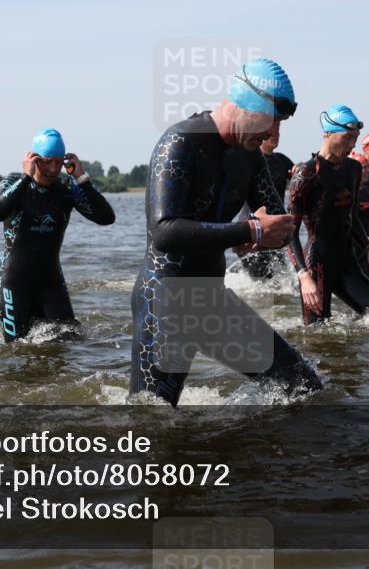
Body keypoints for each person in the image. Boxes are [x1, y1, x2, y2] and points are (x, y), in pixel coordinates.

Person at [130, 58, 323, 406]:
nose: (273, 136)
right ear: (245, 105)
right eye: (271, 122)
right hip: (166, 303)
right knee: (153, 420)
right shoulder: (181, 141)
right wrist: (247, 230)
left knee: (303, 389)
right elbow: (164, 231)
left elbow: (280, 223)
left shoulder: (248, 157)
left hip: (211, 302)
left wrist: (269, 239)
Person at [0, 129, 115, 341]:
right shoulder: (14, 182)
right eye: (48, 161)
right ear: (34, 159)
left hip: (51, 282)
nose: (54, 168)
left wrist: (82, 178)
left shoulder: (67, 187)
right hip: (14, 282)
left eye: (59, 162)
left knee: (71, 341)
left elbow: (106, 218)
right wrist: (26, 177)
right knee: (17, 350)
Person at [287, 104, 369, 325]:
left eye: (355, 138)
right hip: (316, 267)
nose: (352, 144)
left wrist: (367, 249)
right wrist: (303, 275)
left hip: (347, 262)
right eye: (347, 137)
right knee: (317, 335)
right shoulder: (306, 173)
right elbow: (290, 229)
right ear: (328, 133)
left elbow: (351, 214)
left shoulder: (354, 169)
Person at [238, 124, 295, 279]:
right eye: (271, 132)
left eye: (278, 132)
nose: (275, 135)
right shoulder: (248, 160)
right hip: (252, 226)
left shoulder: (282, 161)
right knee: (261, 281)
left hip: (275, 227)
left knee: (283, 282)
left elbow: (300, 182)